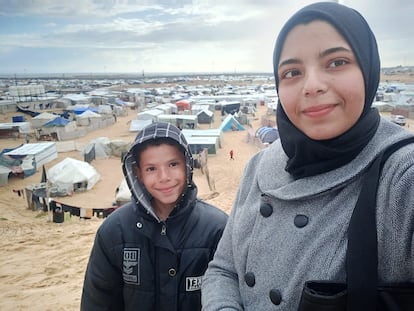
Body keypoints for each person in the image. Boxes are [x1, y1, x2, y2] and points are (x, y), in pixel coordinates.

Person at [201, 2, 414, 310]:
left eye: (337, 62)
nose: (312, 86)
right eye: (292, 72)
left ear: (368, 68)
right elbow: (223, 269)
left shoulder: (402, 175)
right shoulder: (260, 166)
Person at [81, 122, 228, 310]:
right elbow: (98, 302)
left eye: (173, 164)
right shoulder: (114, 231)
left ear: (187, 165)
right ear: (138, 173)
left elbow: (229, 293)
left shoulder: (217, 228)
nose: (164, 177)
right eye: (151, 168)